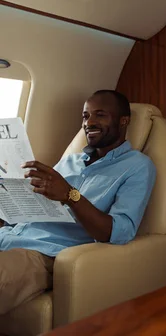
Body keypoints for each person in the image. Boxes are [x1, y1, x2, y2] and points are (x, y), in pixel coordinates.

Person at [0, 90, 156, 314]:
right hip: (10, 236)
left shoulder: (138, 166)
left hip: (44, 253)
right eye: (85, 116)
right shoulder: (70, 162)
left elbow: (119, 232)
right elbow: (36, 205)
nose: (89, 122)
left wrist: (70, 196)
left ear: (124, 121)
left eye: (100, 115)